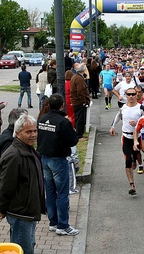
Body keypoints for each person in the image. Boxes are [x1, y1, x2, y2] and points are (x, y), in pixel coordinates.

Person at [0, 114, 45, 254]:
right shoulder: (14, 155)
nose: (33, 135)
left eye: (35, 131)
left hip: (28, 212)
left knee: (29, 245)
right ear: (18, 133)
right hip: (21, 214)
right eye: (28, 132)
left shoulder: (29, 151)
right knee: (24, 249)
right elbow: (5, 186)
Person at [37, 94, 79, 236]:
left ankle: (53, 222)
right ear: (62, 105)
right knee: (62, 193)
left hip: (45, 158)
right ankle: (63, 225)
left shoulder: (42, 119)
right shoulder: (63, 121)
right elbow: (73, 140)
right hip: (59, 159)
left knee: (50, 191)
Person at [110, 87, 144, 193]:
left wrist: (138, 124)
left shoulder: (140, 108)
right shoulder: (123, 108)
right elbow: (118, 116)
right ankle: (131, 185)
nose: (131, 96)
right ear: (126, 95)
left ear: (136, 95)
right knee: (127, 161)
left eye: (133, 94)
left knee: (136, 155)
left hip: (137, 137)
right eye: (128, 94)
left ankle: (136, 160)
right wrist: (112, 126)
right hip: (126, 137)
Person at [70, 63, 91, 139]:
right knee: (80, 119)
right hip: (79, 102)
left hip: (76, 101)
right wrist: (84, 101)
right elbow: (80, 91)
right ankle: (79, 135)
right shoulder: (79, 79)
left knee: (78, 118)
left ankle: (78, 133)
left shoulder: (75, 77)